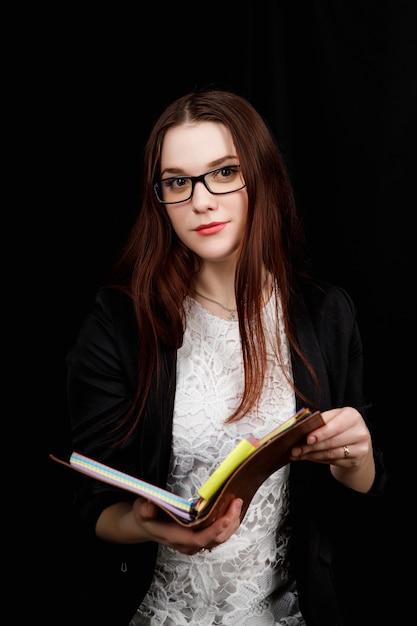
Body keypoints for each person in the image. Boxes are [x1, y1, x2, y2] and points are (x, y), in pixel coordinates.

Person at [64, 88, 386, 626]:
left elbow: (364, 502)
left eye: (224, 172)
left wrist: (359, 457)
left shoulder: (327, 313)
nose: (201, 200)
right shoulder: (118, 321)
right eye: (178, 181)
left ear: (260, 176)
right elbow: (92, 505)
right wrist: (145, 525)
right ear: (159, 197)